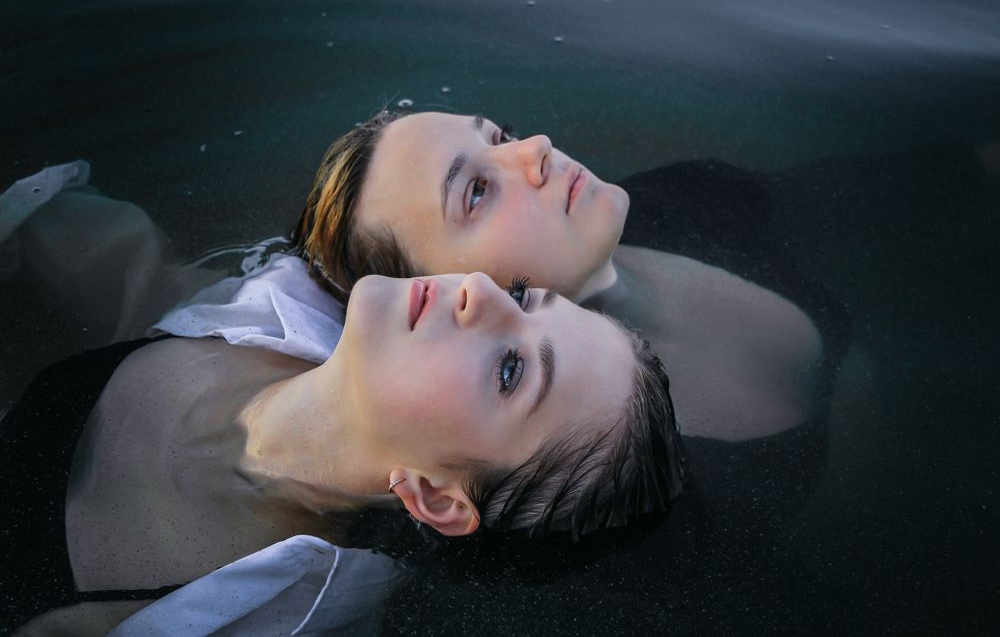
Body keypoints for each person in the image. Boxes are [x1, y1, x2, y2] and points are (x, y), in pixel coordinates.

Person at [1, 272, 684, 633]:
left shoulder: (240, 616)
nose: (478, 287)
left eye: (511, 370)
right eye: (521, 294)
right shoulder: (284, 296)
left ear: (437, 496)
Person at [293, 110, 827, 443]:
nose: (537, 147)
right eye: (476, 191)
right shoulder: (593, 474)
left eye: (501, 136)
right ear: (447, 296)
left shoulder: (699, 196)